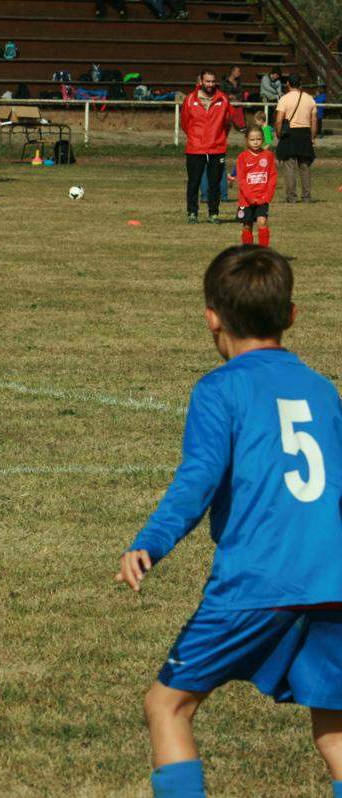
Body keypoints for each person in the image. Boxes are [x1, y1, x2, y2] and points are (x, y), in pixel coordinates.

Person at [116, 245, 342, 798]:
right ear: (291, 316)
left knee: (167, 705)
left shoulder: (220, 388)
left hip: (260, 579)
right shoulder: (322, 389)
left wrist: (150, 543)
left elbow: (197, 482)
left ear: (211, 317)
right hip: (333, 578)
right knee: (335, 728)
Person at [181, 69, 236, 224]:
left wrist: (219, 138)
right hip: (195, 148)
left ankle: (213, 213)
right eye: (207, 81)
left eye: (213, 81)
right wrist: (195, 137)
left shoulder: (223, 99)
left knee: (215, 183)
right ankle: (192, 213)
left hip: (216, 148)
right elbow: (185, 123)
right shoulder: (190, 99)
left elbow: (227, 123)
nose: (211, 84)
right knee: (194, 182)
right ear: (201, 82)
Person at [275, 73, 317, 204]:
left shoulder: (284, 99)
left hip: (289, 135)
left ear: (287, 83)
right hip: (304, 134)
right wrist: (312, 137)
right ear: (300, 84)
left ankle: (292, 197)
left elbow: (279, 120)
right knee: (305, 167)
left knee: (289, 167)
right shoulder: (310, 99)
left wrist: (278, 134)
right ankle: (306, 196)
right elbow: (314, 121)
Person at [235, 126, 277, 247]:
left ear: (263, 139)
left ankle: (264, 253)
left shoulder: (268, 156)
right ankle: (248, 252)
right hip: (246, 199)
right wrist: (250, 197)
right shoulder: (242, 157)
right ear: (247, 140)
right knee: (247, 225)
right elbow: (241, 179)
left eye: (258, 139)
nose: (256, 142)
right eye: (252, 139)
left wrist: (267, 196)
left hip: (262, 197)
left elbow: (272, 177)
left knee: (262, 222)